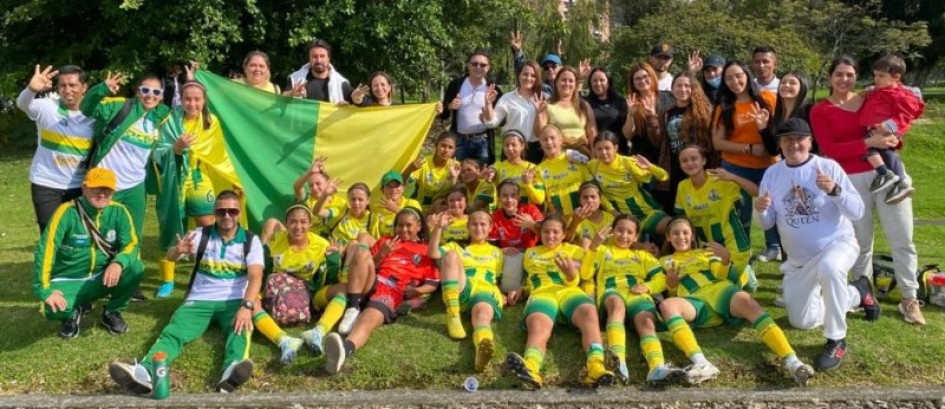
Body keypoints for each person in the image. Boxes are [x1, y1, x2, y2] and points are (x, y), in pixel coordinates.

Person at [108, 190, 263, 394]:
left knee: (241, 329)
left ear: (239, 213)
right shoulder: (200, 235)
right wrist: (178, 250)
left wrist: (246, 306)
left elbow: (255, 277)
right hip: (199, 299)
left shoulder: (250, 240)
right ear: (214, 212)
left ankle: (232, 370)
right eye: (221, 211)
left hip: (234, 300)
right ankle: (144, 373)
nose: (227, 216)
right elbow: (170, 258)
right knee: (174, 332)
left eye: (232, 211)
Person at [755, 118, 878, 371]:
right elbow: (766, 224)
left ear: (810, 141)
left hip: (837, 244)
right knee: (803, 321)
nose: (793, 144)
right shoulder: (772, 173)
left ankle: (836, 338)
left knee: (831, 269)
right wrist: (761, 210)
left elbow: (857, 211)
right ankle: (857, 293)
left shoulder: (827, 167)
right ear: (780, 143)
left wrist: (835, 191)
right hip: (799, 260)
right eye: (787, 139)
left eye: (799, 139)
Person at [810, 56, 926, 326]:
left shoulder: (872, 97)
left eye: (849, 74)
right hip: (850, 179)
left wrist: (893, 138)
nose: (844, 79)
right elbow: (830, 149)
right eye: (838, 74)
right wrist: (868, 142)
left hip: (887, 173)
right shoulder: (820, 110)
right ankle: (861, 294)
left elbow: (897, 123)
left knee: (902, 237)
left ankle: (909, 298)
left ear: (856, 76)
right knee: (860, 242)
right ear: (830, 77)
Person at [658, 217, 815, 384]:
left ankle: (793, 362)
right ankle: (702, 364)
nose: (680, 237)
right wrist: (672, 284)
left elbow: (723, 275)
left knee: (749, 303)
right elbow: (670, 292)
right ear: (668, 237)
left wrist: (725, 260)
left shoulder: (706, 252)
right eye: (675, 233)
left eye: (685, 232)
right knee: (667, 305)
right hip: (693, 302)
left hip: (720, 291)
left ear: (692, 235)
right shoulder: (663, 262)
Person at [321, 208, 441, 374]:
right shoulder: (386, 241)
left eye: (409, 225)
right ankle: (353, 307)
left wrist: (417, 291)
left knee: (368, 319)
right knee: (362, 252)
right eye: (400, 225)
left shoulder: (425, 251)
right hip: (371, 281)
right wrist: (382, 253)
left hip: (392, 292)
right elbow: (363, 264)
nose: (403, 229)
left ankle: (344, 350)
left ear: (419, 226)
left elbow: (433, 283)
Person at [505, 216, 615, 388]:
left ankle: (595, 365)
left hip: (569, 292)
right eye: (546, 231)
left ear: (564, 234)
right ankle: (531, 367)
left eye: (556, 232)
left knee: (589, 312)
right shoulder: (530, 253)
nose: (550, 236)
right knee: (538, 325)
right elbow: (531, 281)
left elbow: (585, 276)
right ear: (540, 233)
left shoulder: (574, 251)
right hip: (543, 294)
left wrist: (572, 273)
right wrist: (522, 290)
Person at [33, 168, 144, 339]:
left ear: (114, 191)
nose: (102, 194)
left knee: (136, 267)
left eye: (107, 189)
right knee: (51, 308)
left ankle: (112, 312)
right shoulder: (66, 212)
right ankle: (71, 313)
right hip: (70, 278)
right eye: (96, 188)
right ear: (84, 188)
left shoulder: (119, 211)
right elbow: (46, 250)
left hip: (103, 276)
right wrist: (43, 289)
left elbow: (131, 244)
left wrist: (118, 263)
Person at [582, 215, 685, 384]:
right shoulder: (601, 251)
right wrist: (593, 246)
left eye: (629, 232)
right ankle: (618, 360)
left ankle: (656, 367)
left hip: (638, 294)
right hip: (611, 292)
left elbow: (660, 279)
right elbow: (585, 274)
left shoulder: (642, 256)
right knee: (616, 305)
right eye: (619, 230)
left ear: (636, 237)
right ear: (612, 232)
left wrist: (647, 287)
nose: (624, 235)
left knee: (646, 321)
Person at [711, 61, 781, 264]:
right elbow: (718, 142)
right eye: (729, 78)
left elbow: (777, 131)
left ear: (747, 75)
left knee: (772, 207)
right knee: (741, 213)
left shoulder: (768, 98)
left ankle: (774, 247)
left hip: (769, 166)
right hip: (735, 167)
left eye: (738, 75)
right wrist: (748, 148)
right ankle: (743, 251)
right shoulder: (724, 106)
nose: (735, 81)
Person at [155, 78, 219, 298]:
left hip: (201, 178)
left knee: (208, 224)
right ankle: (167, 280)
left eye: (197, 99)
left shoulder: (212, 122)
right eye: (188, 99)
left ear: (204, 100)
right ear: (180, 100)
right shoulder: (170, 122)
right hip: (176, 179)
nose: (192, 104)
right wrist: (177, 147)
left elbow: (221, 155)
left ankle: (208, 272)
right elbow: (157, 151)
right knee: (172, 225)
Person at [17, 64, 94, 232]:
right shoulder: (47, 107)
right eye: (63, 85)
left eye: (72, 85)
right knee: (50, 234)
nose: (67, 90)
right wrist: (31, 89)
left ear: (84, 87)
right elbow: (22, 104)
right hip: (46, 184)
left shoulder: (95, 115)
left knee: (77, 235)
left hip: (79, 186)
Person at [429, 210, 507, 372]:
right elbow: (433, 253)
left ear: (490, 227)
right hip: (462, 289)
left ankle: (482, 348)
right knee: (450, 255)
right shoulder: (457, 246)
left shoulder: (498, 252)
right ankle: (453, 314)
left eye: (483, 224)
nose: (478, 228)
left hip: (485, 290)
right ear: (468, 226)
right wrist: (438, 228)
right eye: (474, 224)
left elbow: (498, 279)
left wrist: (506, 294)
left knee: (482, 315)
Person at [251, 204, 330, 364]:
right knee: (249, 302)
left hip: (305, 294)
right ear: (286, 224)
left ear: (310, 224)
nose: (298, 226)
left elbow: (326, 277)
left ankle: (318, 332)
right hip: (276, 291)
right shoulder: (276, 240)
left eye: (303, 222)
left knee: (341, 291)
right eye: (293, 222)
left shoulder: (321, 244)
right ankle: (284, 341)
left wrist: (334, 258)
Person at [675, 145, 758, 290]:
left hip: (734, 244)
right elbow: (683, 217)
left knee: (727, 287)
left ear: (704, 160)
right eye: (684, 161)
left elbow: (756, 191)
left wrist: (732, 177)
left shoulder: (721, 180)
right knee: (712, 283)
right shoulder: (682, 186)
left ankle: (746, 272)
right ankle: (742, 273)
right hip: (709, 248)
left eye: (694, 159)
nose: (689, 163)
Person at [858, 54, 925, 203]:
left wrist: (888, 127)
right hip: (873, 130)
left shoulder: (901, 96)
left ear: (896, 77)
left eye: (881, 76)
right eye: (875, 75)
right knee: (883, 154)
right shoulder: (877, 91)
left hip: (887, 132)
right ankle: (898, 181)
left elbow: (905, 116)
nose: (877, 79)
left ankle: (888, 176)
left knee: (871, 149)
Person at [587, 132, 670, 240]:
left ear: (615, 148)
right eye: (599, 149)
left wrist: (650, 167)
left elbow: (664, 176)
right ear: (594, 150)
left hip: (645, 213)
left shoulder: (628, 163)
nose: (604, 152)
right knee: (635, 247)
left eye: (607, 148)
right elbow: (598, 194)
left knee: (673, 227)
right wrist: (612, 211)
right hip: (622, 219)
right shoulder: (592, 166)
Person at [655, 73, 716, 212]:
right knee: (677, 209)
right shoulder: (665, 113)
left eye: (687, 85)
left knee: (701, 209)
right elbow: (663, 141)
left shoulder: (703, 111)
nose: (682, 89)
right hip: (674, 167)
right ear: (672, 88)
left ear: (693, 88)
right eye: (678, 85)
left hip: (698, 167)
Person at [440, 52, 503, 164]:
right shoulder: (456, 85)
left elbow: (501, 120)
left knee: (483, 177)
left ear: (488, 68)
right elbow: (443, 114)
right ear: (468, 66)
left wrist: (489, 116)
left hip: (483, 141)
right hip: (458, 140)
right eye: (474, 64)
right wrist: (449, 106)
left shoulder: (494, 89)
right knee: (457, 174)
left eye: (482, 65)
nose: (478, 67)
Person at [482, 61, 544, 164]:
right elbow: (492, 123)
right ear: (519, 75)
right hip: (511, 149)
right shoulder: (507, 98)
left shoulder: (543, 98)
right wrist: (488, 104)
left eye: (533, 75)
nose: (528, 78)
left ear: (537, 78)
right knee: (510, 180)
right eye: (525, 74)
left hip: (536, 150)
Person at [488, 179, 543, 294]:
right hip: (510, 256)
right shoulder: (495, 217)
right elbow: (490, 246)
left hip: (533, 254)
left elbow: (547, 236)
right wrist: (503, 250)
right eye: (504, 195)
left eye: (513, 195)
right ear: (498, 197)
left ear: (518, 197)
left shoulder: (530, 210)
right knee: (508, 288)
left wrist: (531, 224)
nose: (509, 200)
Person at [534, 124, 592, 221]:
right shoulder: (539, 169)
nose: (549, 142)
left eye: (552, 138)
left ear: (560, 140)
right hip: (560, 223)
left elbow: (593, 187)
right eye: (544, 139)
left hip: (585, 217)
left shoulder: (575, 159)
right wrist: (527, 184)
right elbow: (539, 199)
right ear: (540, 144)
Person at [535, 66, 597, 155]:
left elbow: (592, 132)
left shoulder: (584, 106)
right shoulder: (547, 105)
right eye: (563, 80)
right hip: (557, 156)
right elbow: (539, 133)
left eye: (571, 81)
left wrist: (594, 153)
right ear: (556, 82)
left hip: (582, 155)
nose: (567, 83)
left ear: (576, 84)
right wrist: (539, 113)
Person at [623, 62, 674, 164]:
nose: (642, 81)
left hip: (668, 157)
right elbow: (628, 135)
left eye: (645, 76)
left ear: (652, 76)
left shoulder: (669, 97)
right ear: (632, 82)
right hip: (643, 160)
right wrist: (631, 115)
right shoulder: (631, 103)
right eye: (637, 79)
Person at [403, 132, 461, 213]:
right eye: (443, 145)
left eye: (450, 147)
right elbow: (400, 182)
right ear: (436, 146)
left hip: (443, 211)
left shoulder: (456, 166)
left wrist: (454, 178)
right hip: (420, 209)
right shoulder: (423, 163)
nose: (446, 150)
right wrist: (410, 169)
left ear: (455, 150)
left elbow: (459, 195)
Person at [482, 131, 545, 205]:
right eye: (506, 145)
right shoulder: (499, 166)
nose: (510, 148)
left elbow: (540, 200)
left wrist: (528, 185)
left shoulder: (533, 168)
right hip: (504, 212)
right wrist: (488, 176)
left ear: (522, 146)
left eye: (514, 145)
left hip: (525, 213)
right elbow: (492, 170)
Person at [761, 71, 815, 157]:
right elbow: (774, 150)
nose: (786, 85)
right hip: (788, 167)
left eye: (792, 83)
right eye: (783, 82)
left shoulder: (810, 111)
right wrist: (763, 127)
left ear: (802, 87)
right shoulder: (778, 115)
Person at [287, 39, 355, 104]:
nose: (318, 60)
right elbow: (280, 100)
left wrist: (352, 103)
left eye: (322, 56)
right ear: (309, 58)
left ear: (328, 59)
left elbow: (360, 101)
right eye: (314, 56)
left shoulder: (339, 83)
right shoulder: (295, 79)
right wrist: (292, 93)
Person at [584, 67, 629, 154]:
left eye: (602, 80)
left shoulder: (620, 101)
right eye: (594, 80)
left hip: (618, 151)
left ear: (608, 83)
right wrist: (580, 80)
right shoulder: (585, 102)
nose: (598, 83)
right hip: (596, 152)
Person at [372, 170, 422, 238]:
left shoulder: (412, 204)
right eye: (389, 186)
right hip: (386, 244)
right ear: (382, 190)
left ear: (403, 188)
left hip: (408, 244)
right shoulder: (377, 208)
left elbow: (419, 228)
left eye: (397, 186)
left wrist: (397, 210)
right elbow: (375, 234)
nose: (393, 189)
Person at [565, 182, 615, 248]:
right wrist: (574, 223)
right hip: (585, 256)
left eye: (593, 197)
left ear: (600, 199)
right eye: (585, 197)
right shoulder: (575, 219)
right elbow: (566, 240)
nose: (589, 200)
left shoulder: (610, 218)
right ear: (580, 201)